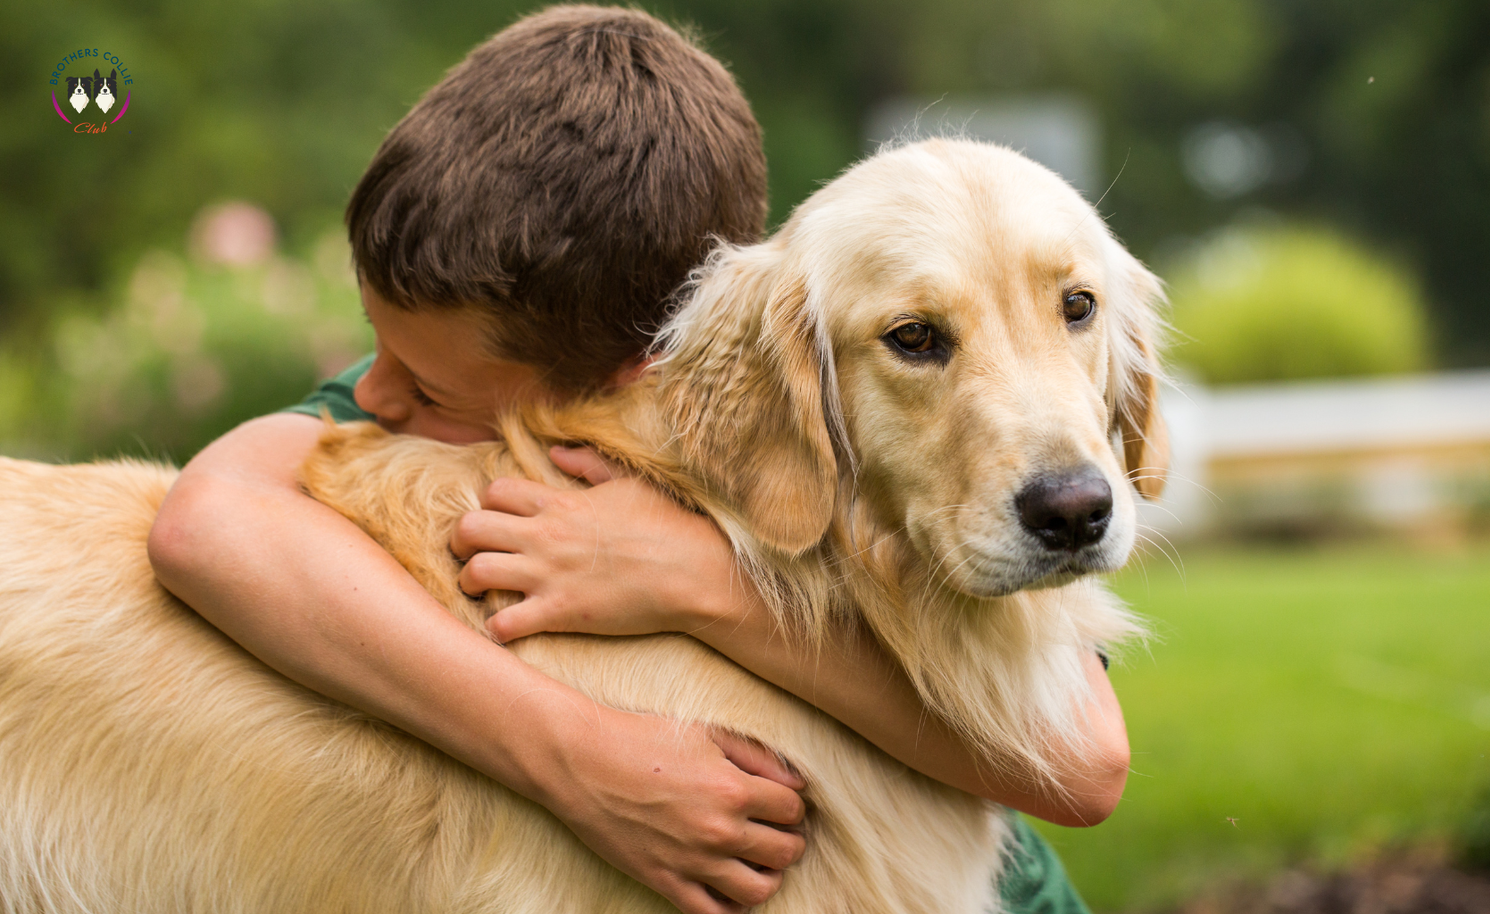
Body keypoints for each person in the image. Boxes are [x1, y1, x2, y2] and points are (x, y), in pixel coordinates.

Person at [146, 7, 1124, 914]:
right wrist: (572, 750)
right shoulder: (468, 358)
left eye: (428, 384)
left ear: (627, 375)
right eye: (378, 343)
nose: (373, 394)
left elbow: (1085, 763)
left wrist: (698, 584)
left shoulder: (780, 385)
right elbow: (205, 522)